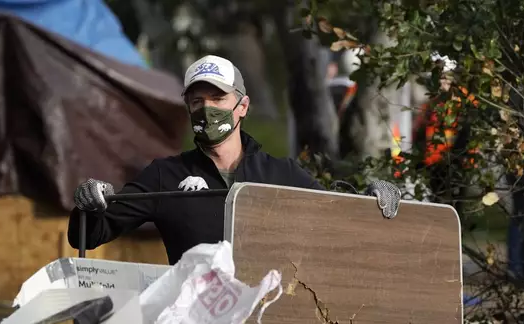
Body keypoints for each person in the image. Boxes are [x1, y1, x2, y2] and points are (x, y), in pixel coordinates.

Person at [68, 55, 401, 265]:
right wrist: (89, 201)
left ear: (242, 106)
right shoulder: (165, 175)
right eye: (197, 101)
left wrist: (374, 201)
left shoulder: (281, 173)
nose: (207, 109)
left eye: (218, 98)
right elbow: (89, 234)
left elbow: (340, 226)